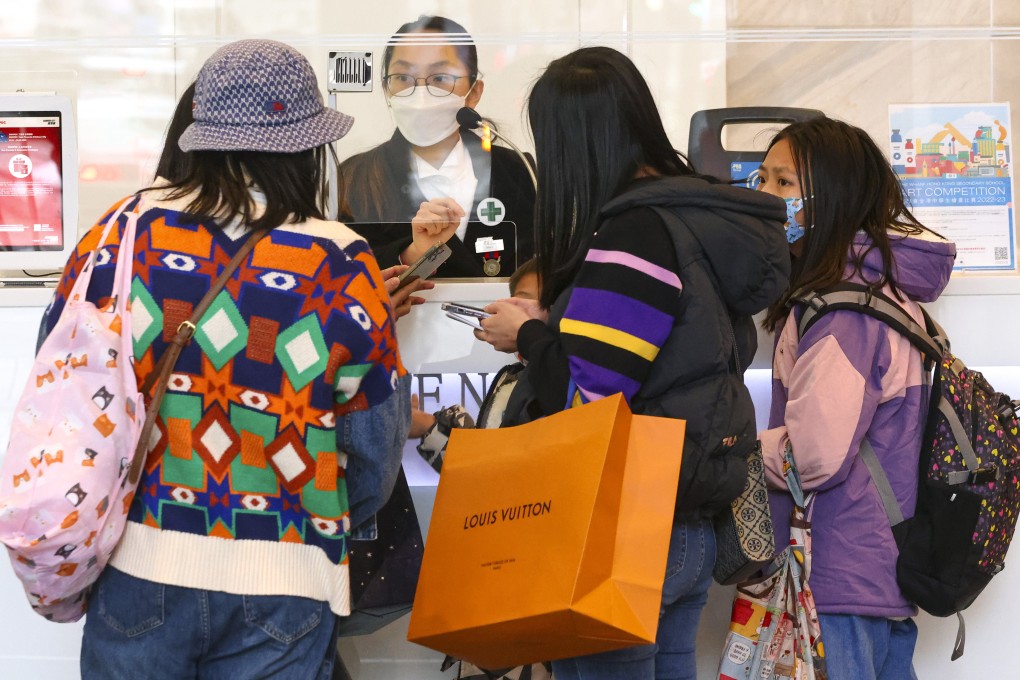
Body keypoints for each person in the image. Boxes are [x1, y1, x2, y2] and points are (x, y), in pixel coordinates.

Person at [40, 39, 412, 678]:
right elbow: (375, 449)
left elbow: (60, 394)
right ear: (307, 147)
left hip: (136, 564)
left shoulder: (118, 237)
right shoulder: (340, 262)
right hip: (286, 579)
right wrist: (309, 515)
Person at [475, 47, 790, 680]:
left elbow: (588, 401)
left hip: (626, 531)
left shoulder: (634, 234)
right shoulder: (695, 219)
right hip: (688, 521)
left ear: (576, 144)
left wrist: (528, 335)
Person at [755, 117, 956, 679]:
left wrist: (739, 448)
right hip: (877, 570)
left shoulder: (843, 312)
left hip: (835, 576)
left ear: (833, 198)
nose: (765, 196)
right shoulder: (884, 294)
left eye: (784, 183)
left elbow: (813, 456)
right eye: (761, 179)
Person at [339, 14, 535, 278]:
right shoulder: (354, 179)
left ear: (474, 92)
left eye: (440, 78)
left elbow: (539, 265)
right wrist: (413, 254)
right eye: (403, 77)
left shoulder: (517, 170)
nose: (421, 93)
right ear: (386, 89)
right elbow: (342, 276)